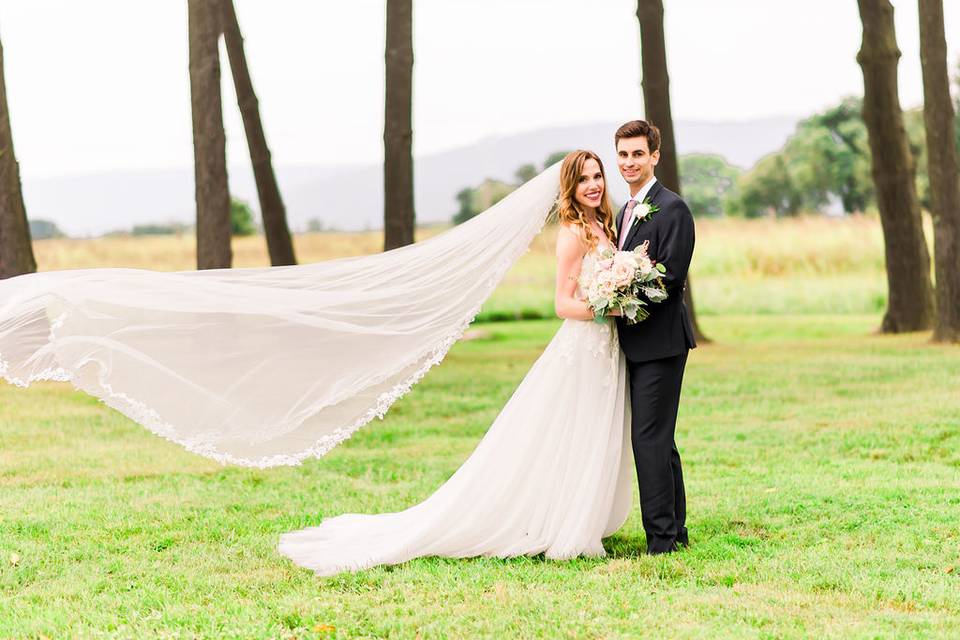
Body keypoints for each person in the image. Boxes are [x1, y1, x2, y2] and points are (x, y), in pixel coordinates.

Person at [277, 151, 638, 575]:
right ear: (570, 188)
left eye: (598, 176)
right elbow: (562, 303)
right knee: (569, 430)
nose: (594, 185)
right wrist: (609, 308)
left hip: (605, 349)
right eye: (584, 180)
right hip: (584, 346)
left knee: (592, 431)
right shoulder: (573, 233)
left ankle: (580, 514)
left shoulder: (603, 224)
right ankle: (557, 522)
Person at [613, 120, 697, 554]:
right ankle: (675, 530)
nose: (630, 163)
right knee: (659, 439)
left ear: (655, 157)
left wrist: (617, 297)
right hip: (631, 345)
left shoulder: (674, 209)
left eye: (638, 155)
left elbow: (670, 279)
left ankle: (660, 540)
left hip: (661, 344)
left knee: (648, 439)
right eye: (623, 155)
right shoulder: (622, 212)